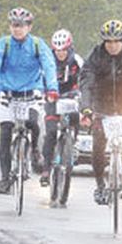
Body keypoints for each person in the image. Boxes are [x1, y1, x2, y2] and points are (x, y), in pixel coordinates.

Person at [0, 7, 57, 195]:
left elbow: (49, 66)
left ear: (29, 26)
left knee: (33, 123)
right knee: (6, 134)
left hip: (31, 93)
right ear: (10, 26)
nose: (18, 29)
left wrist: (52, 89)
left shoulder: (38, 45)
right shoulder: (4, 44)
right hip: (8, 94)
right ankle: (5, 178)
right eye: (14, 25)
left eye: (22, 25)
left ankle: (34, 151)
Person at [79, 19, 122, 205]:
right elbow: (87, 82)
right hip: (103, 104)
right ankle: (100, 184)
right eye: (108, 42)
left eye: (116, 41)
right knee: (99, 142)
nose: (112, 45)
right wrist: (86, 108)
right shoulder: (96, 55)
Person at [39, 28, 83, 187]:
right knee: (50, 132)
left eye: (63, 50)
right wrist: (42, 92)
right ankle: (46, 169)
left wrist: (79, 93)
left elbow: (84, 79)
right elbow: (39, 78)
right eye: (57, 50)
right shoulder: (47, 60)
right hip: (52, 96)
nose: (60, 54)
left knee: (76, 115)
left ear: (69, 48)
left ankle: (74, 142)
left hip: (70, 94)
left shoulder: (77, 60)